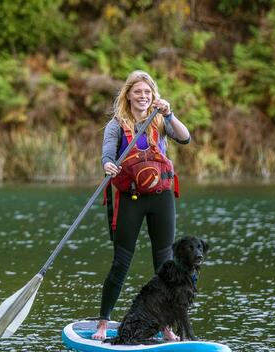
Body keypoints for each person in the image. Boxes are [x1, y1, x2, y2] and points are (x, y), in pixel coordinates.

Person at [92, 70, 191, 341]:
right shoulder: (116, 124)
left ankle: (166, 326)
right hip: (131, 199)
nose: (143, 96)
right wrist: (108, 165)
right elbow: (107, 156)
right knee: (121, 263)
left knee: (165, 265)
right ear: (128, 95)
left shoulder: (159, 119)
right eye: (138, 92)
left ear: (153, 95)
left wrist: (170, 114)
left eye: (148, 92)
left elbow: (185, 138)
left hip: (161, 198)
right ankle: (103, 322)